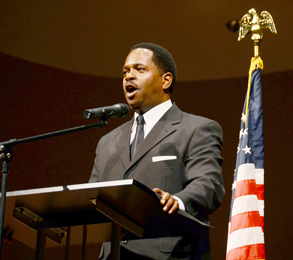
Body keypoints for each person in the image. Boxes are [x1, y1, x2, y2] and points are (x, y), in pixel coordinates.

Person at [89, 43, 225, 260]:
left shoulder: (196, 129)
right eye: (125, 71)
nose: (128, 76)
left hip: (169, 254)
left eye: (139, 69)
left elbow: (208, 184)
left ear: (166, 80)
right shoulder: (107, 142)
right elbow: (91, 201)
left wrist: (177, 201)